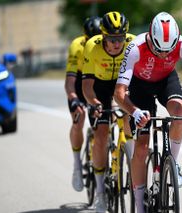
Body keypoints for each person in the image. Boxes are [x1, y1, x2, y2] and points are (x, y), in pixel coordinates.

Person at [114, 12, 182, 213]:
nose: (165, 55)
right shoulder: (135, 48)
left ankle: (172, 162)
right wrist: (135, 111)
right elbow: (119, 93)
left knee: (179, 113)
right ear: (150, 38)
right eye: (159, 50)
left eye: (169, 50)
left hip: (166, 80)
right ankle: (139, 206)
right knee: (141, 147)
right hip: (140, 86)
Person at [82, 11, 135, 212]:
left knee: (131, 117)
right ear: (103, 36)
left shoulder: (131, 43)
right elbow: (86, 85)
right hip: (100, 87)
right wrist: (94, 103)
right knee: (102, 134)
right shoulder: (92, 47)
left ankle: (131, 162)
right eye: (112, 38)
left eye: (120, 38)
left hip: (122, 83)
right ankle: (100, 195)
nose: (116, 43)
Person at [64, 16, 101, 192]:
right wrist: (73, 98)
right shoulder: (76, 46)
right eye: (89, 40)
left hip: (98, 77)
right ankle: (77, 165)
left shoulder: (104, 45)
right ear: (84, 37)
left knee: (101, 121)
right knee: (79, 119)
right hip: (80, 80)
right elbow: (70, 80)